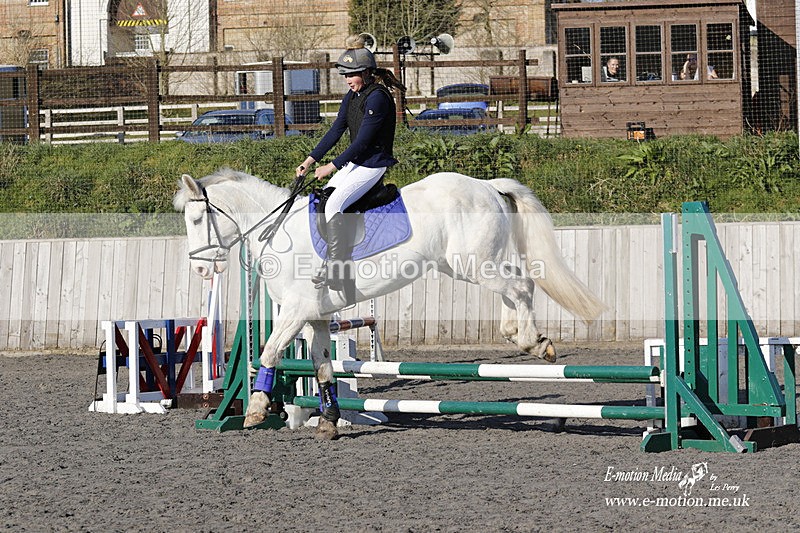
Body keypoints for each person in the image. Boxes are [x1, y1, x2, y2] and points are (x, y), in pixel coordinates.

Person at [296, 35, 406, 300]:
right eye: (345, 75)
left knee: (334, 205)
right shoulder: (353, 95)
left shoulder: (377, 98)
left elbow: (363, 142)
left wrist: (331, 166)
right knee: (324, 197)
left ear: (367, 73)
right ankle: (334, 258)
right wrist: (310, 160)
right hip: (358, 163)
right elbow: (336, 130)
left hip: (373, 165)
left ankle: (338, 270)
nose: (348, 80)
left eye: (353, 75)